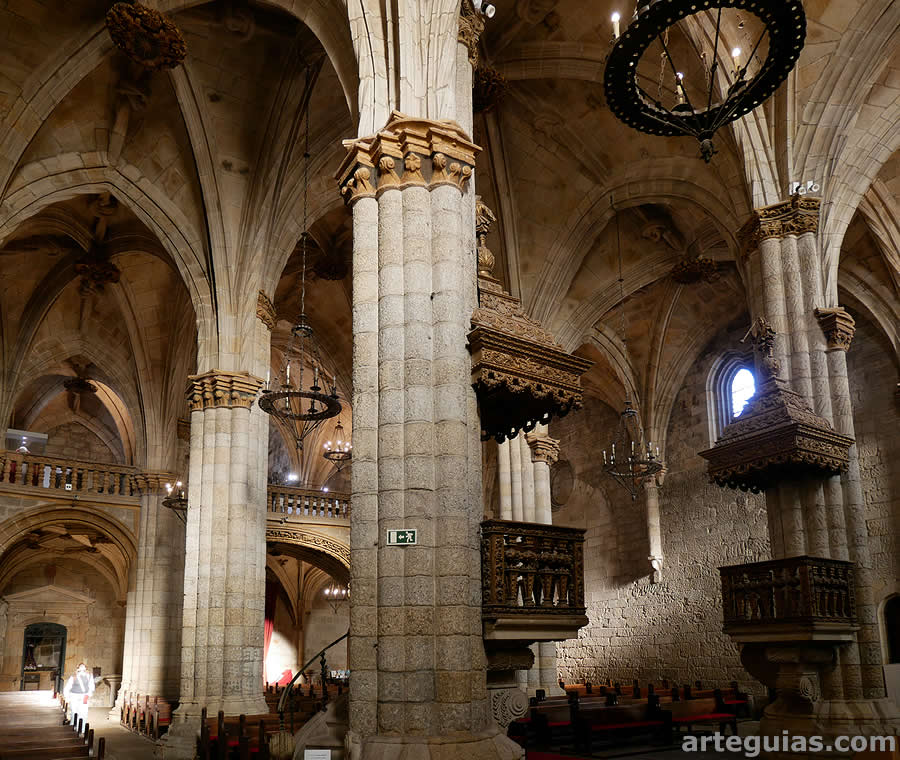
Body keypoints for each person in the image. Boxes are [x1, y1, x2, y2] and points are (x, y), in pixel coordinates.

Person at [63, 662, 95, 729]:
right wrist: (67, 697)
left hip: (84, 696)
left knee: (84, 713)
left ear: (86, 668)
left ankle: (82, 729)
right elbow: (68, 687)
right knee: (74, 712)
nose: (82, 668)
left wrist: (88, 695)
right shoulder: (74, 676)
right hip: (74, 696)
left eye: (83, 666)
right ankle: (73, 728)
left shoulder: (89, 675)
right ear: (78, 668)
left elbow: (91, 686)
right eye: (80, 666)